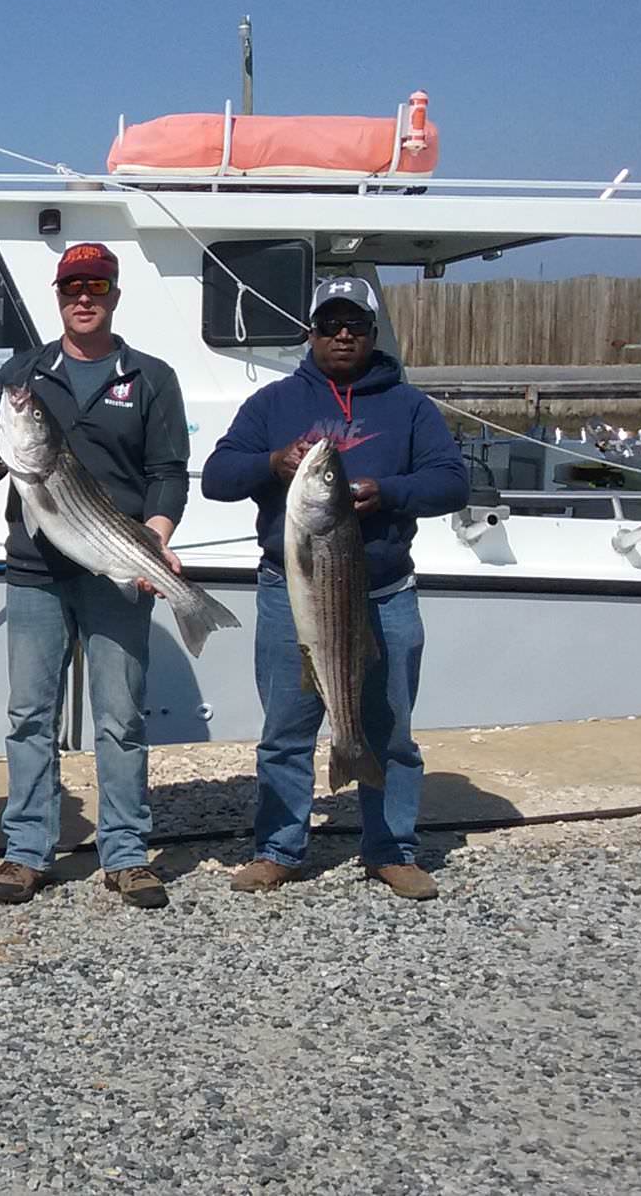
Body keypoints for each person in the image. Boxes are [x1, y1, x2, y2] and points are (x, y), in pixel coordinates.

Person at [200, 275, 468, 900]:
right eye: (330, 325)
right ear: (312, 333)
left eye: (356, 326)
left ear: (374, 335)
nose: (343, 335)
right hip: (289, 591)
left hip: (385, 594)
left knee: (391, 728)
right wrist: (273, 464)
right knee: (286, 728)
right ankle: (278, 848)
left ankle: (392, 848)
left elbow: (452, 482)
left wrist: (391, 492)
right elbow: (216, 476)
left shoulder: (410, 407)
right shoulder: (273, 404)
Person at [0, 241, 192, 911]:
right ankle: (27, 850)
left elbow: (169, 473)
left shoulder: (150, 376)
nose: (83, 298)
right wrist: (0, 446)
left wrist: (156, 538)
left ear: (114, 296)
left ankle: (125, 852)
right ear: (57, 297)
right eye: (71, 288)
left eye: (95, 287)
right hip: (35, 568)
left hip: (116, 559)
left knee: (121, 716)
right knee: (29, 715)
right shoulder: (23, 375)